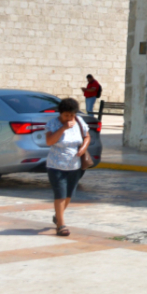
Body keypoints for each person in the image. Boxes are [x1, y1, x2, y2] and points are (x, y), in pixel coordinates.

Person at [44, 97, 91, 236]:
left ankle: (58, 216)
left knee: (69, 195)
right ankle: (61, 225)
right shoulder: (53, 124)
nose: (69, 118)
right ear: (60, 113)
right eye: (66, 115)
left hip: (74, 165)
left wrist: (83, 147)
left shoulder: (79, 121)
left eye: (72, 115)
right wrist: (63, 127)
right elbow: (49, 141)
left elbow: (87, 136)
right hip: (56, 165)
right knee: (60, 195)